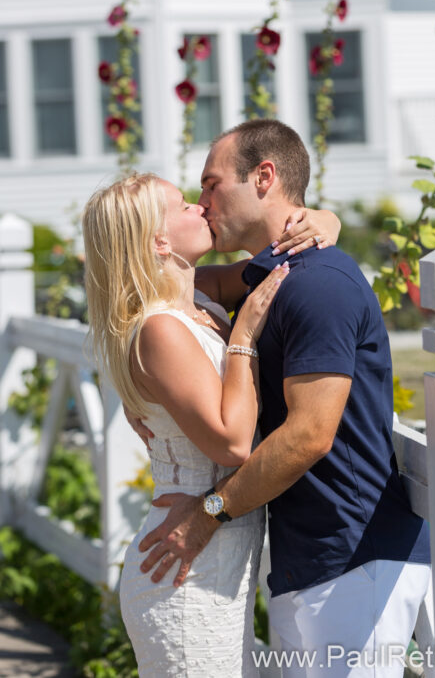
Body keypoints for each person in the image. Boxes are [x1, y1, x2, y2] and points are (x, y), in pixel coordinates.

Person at [135, 120, 431, 678]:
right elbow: (172, 291)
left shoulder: (317, 283)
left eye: (212, 184)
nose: (203, 203)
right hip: (305, 557)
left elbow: (309, 434)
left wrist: (208, 513)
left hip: (352, 553)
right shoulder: (271, 275)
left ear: (264, 176)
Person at [82, 172, 340, 677]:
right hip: (181, 572)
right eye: (183, 205)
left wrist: (326, 221)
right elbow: (233, 442)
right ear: (158, 241)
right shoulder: (159, 328)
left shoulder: (197, 297)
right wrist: (243, 332)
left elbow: (274, 263)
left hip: (214, 561)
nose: (201, 208)